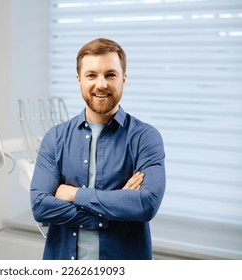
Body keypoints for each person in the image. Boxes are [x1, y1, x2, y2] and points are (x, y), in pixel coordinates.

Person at [30, 38, 166, 260]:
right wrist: (113, 209)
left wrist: (74, 194)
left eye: (110, 74)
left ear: (124, 78)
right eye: (91, 75)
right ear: (79, 80)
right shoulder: (55, 138)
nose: (101, 84)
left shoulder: (145, 138)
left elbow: (146, 204)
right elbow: (40, 207)